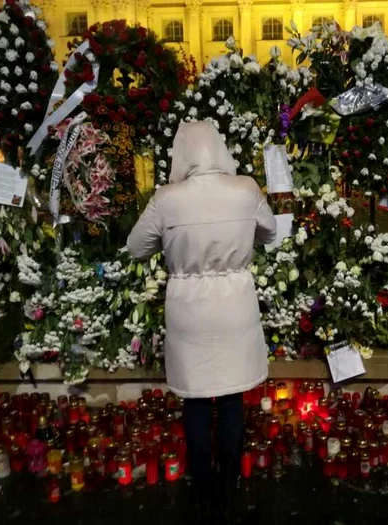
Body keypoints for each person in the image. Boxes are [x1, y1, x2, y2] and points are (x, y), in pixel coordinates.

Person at [126, 120, 277, 522]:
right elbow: (271, 231)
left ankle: (202, 487)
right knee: (230, 400)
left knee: (194, 401)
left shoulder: (167, 199)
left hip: (189, 312)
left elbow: (135, 246)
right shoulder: (245, 190)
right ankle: (228, 485)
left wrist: (170, 241)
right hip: (234, 311)